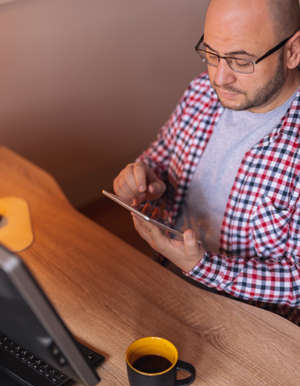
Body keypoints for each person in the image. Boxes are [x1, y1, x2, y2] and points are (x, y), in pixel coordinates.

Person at [113, 0, 300, 320]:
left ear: (293, 51)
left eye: (241, 61)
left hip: (258, 324)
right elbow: (159, 156)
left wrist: (202, 267)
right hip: (168, 281)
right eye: (211, 54)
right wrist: (142, 179)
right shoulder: (200, 93)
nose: (219, 77)